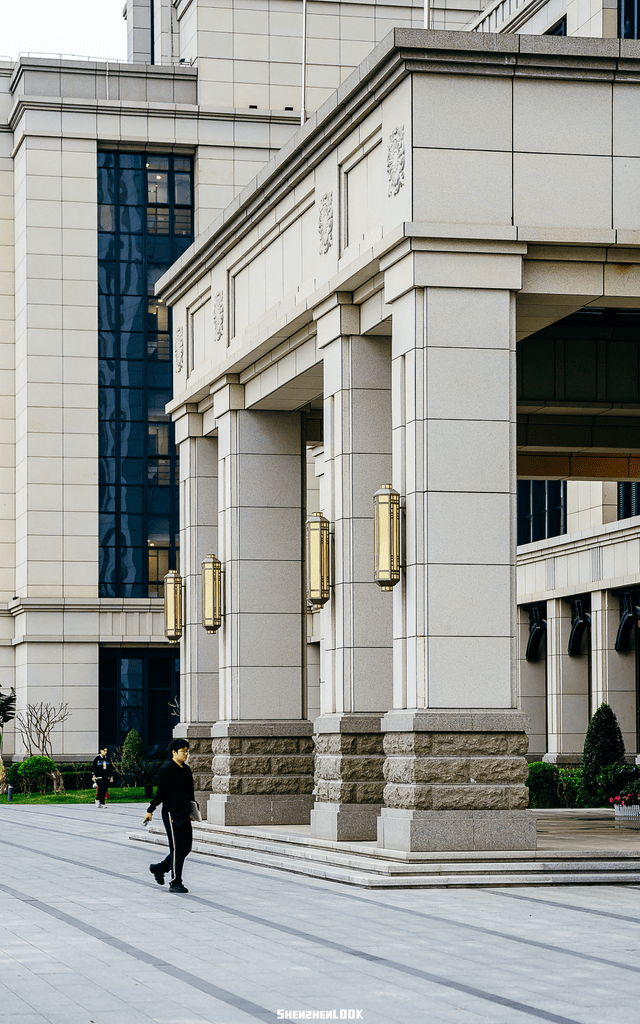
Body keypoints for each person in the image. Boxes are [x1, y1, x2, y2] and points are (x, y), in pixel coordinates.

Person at [143, 738, 194, 894]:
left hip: (185, 813)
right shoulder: (167, 769)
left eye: (187, 751)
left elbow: (190, 793)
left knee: (186, 847)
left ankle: (160, 868)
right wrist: (150, 810)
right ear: (174, 752)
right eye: (182, 751)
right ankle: (175, 881)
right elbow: (161, 792)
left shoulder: (186, 770)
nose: (186, 754)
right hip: (172, 813)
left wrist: (192, 811)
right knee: (177, 848)